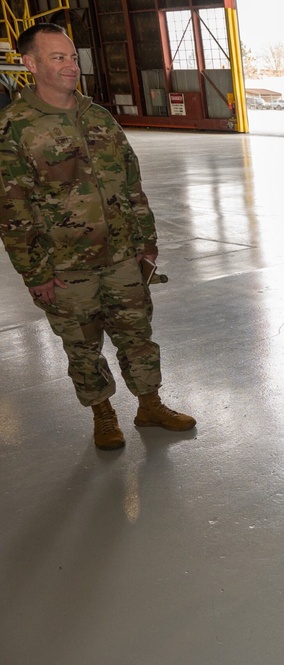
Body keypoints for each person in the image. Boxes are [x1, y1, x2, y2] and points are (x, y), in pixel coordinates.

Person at [0, 23, 195, 451]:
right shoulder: (15, 127)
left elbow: (130, 181)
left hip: (123, 254)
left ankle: (149, 404)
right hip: (65, 265)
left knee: (136, 333)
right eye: (58, 58)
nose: (71, 66)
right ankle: (103, 415)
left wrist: (147, 242)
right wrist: (35, 273)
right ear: (31, 64)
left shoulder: (97, 116)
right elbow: (12, 209)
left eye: (72, 57)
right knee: (82, 345)